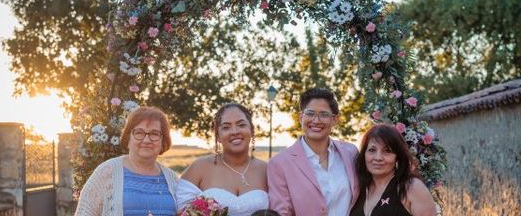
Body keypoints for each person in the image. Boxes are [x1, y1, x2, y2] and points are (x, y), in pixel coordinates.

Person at [267, 88, 359, 216]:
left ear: (335, 120)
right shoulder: (279, 163)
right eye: (310, 113)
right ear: (300, 117)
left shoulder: (351, 153)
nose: (316, 121)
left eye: (324, 114)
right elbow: (282, 212)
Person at [75, 106, 178, 216]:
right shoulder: (107, 172)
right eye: (139, 133)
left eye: (154, 134)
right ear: (128, 139)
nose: (146, 140)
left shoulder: (172, 179)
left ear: (163, 141)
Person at [176, 103, 269, 216]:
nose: (235, 131)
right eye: (226, 127)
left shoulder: (267, 170)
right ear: (218, 136)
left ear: (252, 130)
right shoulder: (199, 168)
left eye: (241, 125)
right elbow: (180, 211)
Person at [349, 124, 437, 216]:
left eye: (387, 151)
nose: (378, 157)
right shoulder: (357, 189)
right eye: (372, 150)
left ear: (397, 156)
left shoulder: (411, 187)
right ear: (364, 154)